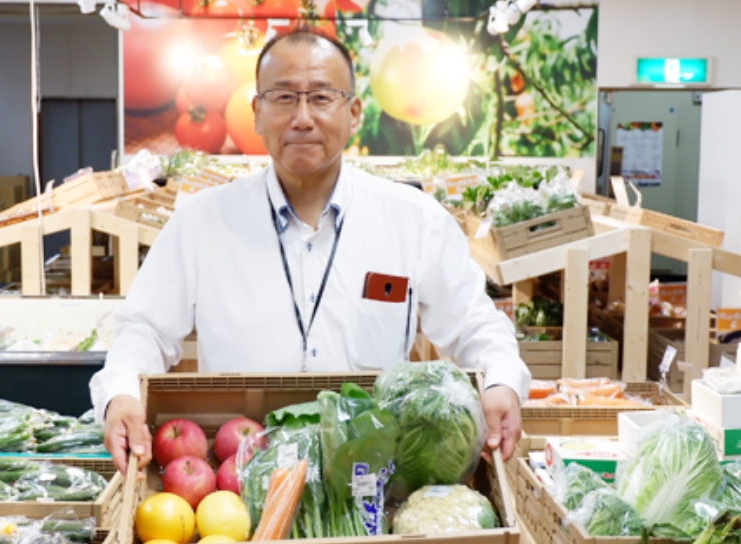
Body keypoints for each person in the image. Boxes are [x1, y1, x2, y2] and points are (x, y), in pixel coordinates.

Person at [91, 27, 531, 479]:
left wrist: (501, 380)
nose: (302, 117)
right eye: (283, 98)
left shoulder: (415, 220)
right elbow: (144, 329)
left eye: (321, 97)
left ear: (354, 112)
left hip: (367, 478)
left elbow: (475, 323)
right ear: (257, 111)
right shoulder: (202, 221)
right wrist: (121, 391)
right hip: (241, 475)